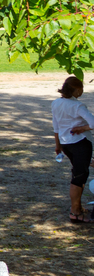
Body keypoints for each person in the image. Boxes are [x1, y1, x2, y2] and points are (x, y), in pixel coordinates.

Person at [52, 76, 94, 223]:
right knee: (79, 177)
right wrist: (83, 128)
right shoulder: (78, 106)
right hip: (80, 144)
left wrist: (57, 145)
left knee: (78, 173)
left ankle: (78, 208)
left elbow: (56, 126)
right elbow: (93, 123)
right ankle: (75, 212)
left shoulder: (56, 103)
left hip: (65, 144)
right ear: (76, 89)